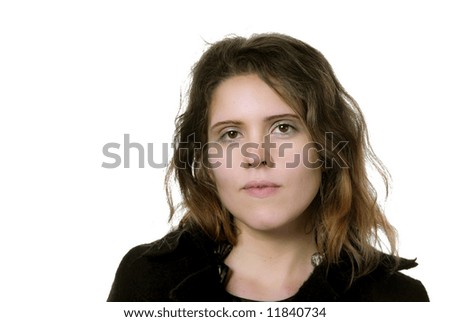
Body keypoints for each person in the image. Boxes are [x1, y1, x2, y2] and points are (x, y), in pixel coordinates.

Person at [107, 33, 429, 302]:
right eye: (231, 134)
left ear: (327, 147)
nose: (256, 155)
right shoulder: (145, 280)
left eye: (283, 128)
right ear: (206, 159)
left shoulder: (396, 298)